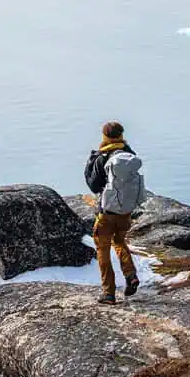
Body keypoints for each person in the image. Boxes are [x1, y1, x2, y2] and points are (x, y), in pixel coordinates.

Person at [84, 120, 144, 304]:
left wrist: (92, 160)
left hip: (106, 212)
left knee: (102, 248)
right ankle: (131, 275)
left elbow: (93, 185)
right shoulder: (128, 155)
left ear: (104, 136)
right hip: (126, 211)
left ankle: (108, 293)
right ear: (121, 135)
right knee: (119, 241)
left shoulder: (103, 157)